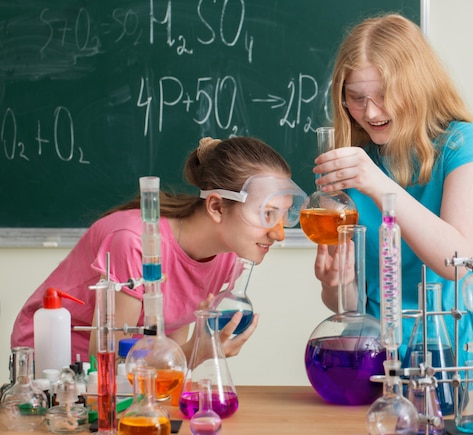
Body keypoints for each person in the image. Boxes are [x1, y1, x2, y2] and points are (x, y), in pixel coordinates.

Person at [312, 13, 473, 386]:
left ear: (417, 85)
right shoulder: (354, 162)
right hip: (383, 361)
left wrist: (376, 183)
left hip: (461, 360)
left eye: (384, 96)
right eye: (357, 99)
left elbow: (458, 261)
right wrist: (335, 284)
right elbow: (351, 303)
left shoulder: (463, 145)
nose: (371, 112)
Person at [12, 136, 306, 364]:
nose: (279, 233)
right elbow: (110, 361)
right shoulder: (134, 241)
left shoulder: (228, 258)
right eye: (268, 214)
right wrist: (196, 353)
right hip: (56, 365)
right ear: (216, 206)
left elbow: (168, 348)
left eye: (285, 215)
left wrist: (188, 354)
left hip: (131, 379)